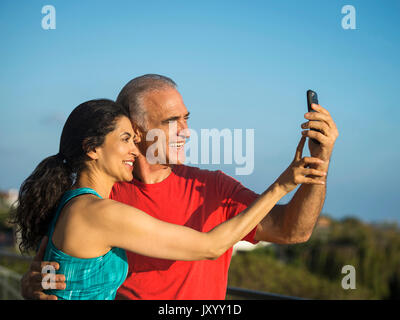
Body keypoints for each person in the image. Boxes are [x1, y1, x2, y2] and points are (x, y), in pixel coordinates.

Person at [20, 75, 338, 300]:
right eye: (173, 121)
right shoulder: (103, 196)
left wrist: (319, 163)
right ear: (137, 130)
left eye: (187, 118)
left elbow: (292, 231)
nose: (187, 131)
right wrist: (35, 285)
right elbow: (49, 269)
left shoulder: (212, 188)